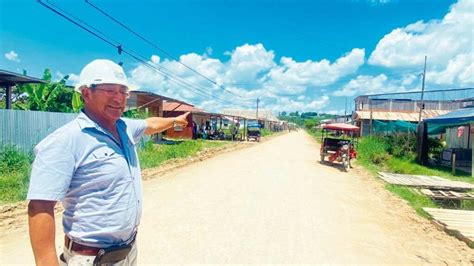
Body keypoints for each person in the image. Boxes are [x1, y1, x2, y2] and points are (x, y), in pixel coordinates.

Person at [27, 59, 190, 266]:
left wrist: (176, 121)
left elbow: (150, 124)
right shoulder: (65, 141)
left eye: (123, 92)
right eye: (110, 90)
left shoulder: (123, 127)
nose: (119, 98)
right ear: (86, 93)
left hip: (128, 251)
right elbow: (40, 205)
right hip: (92, 258)